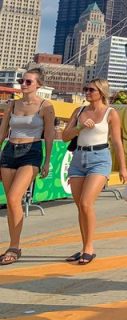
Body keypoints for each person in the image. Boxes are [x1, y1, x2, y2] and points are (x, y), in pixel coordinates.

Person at [61, 78, 127, 266]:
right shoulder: (79, 111)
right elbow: (65, 136)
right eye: (86, 89)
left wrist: (123, 167)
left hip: (99, 159)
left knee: (86, 203)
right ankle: (84, 247)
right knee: (80, 207)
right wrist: (80, 127)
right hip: (78, 159)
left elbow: (117, 142)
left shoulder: (111, 113)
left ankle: (89, 248)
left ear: (101, 92)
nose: (87, 92)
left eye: (91, 89)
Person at [0, 69, 55, 266]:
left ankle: (14, 247)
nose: (23, 84)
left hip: (31, 150)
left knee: (15, 197)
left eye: (28, 82)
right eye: (21, 81)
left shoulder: (45, 106)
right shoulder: (12, 104)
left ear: (38, 85)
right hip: (9, 150)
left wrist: (47, 161)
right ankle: (13, 244)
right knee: (11, 203)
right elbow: (3, 132)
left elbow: (49, 134)